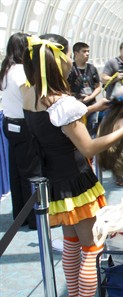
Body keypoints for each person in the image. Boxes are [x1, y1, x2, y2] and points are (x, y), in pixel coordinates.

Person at [21, 34, 123, 297]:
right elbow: (88, 148)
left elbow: (55, 123)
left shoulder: (29, 93)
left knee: (72, 246)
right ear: (56, 61)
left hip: (56, 183)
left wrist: (90, 107)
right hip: (78, 183)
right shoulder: (62, 102)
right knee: (93, 248)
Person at [1, 32, 40, 230]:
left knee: (16, 171)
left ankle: (20, 215)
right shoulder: (22, 72)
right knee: (31, 172)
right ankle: (34, 218)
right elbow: (29, 101)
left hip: (9, 124)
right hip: (24, 126)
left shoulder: (5, 69)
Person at [101, 41, 123, 186]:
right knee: (115, 140)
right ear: (120, 50)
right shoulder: (112, 63)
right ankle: (117, 173)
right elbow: (103, 77)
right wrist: (115, 77)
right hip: (114, 107)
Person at [67, 42, 102, 133]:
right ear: (76, 53)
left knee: (91, 129)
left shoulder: (92, 68)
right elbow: (65, 89)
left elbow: (98, 87)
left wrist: (90, 97)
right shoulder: (70, 69)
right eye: (84, 51)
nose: (87, 54)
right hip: (75, 106)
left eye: (88, 51)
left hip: (91, 105)